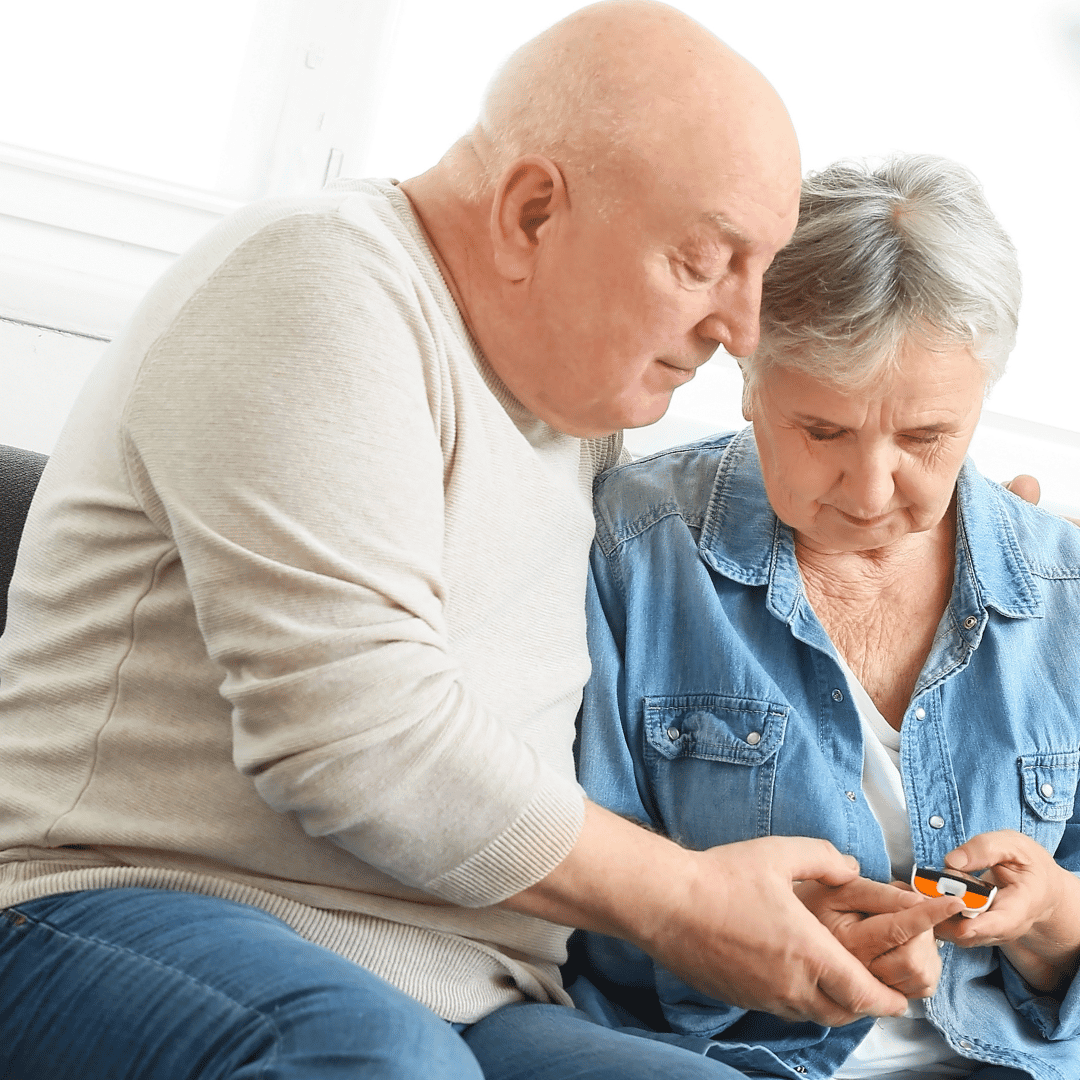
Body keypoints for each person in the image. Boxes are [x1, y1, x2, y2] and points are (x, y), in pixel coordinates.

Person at [0, 4, 949, 1079]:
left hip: (457, 976)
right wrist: (683, 900)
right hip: (120, 907)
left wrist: (945, 542)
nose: (742, 328)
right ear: (532, 211)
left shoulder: (577, 407)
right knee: (374, 1057)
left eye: (757, 270)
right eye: (703, 261)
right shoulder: (320, 285)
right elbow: (356, 736)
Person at [575, 152, 1080, 1079]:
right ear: (748, 377)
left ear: (983, 399)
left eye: (926, 437)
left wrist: (1050, 915)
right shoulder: (636, 551)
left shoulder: (1065, 595)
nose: (872, 488)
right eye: (822, 432)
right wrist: (748, 935)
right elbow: (581, 899)